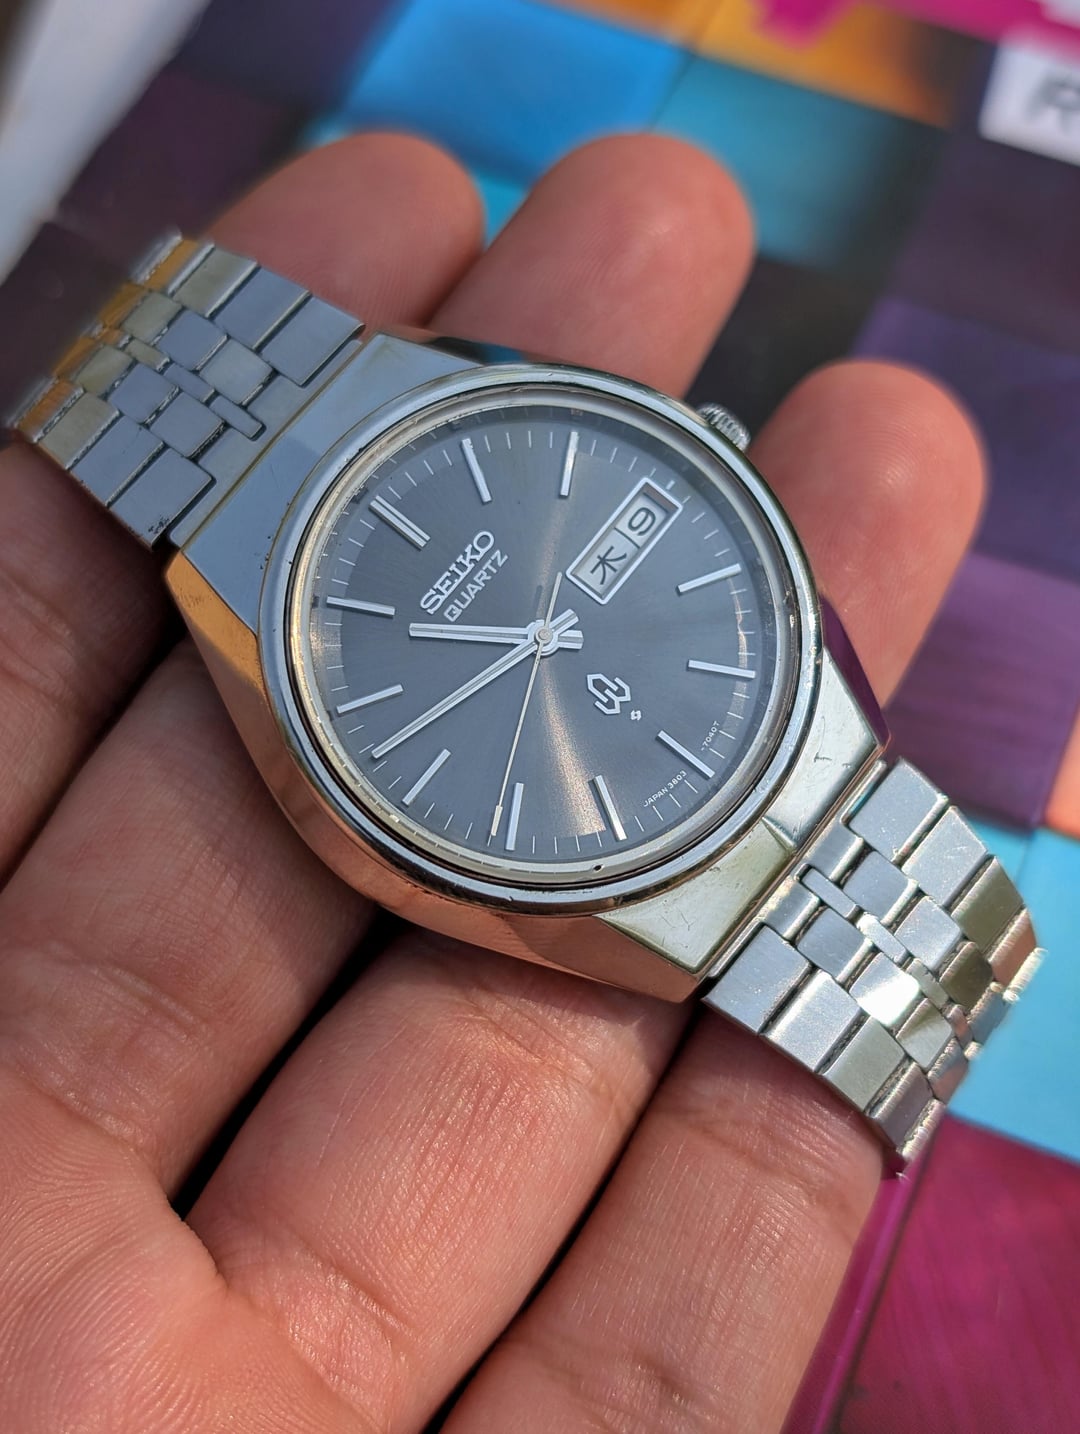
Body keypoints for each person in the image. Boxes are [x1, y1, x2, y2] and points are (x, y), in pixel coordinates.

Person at [0, 132, 982, 1432]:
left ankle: (953, 978)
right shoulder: (265, 632)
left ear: (707, 447)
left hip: (770, 722)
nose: (546, 635)